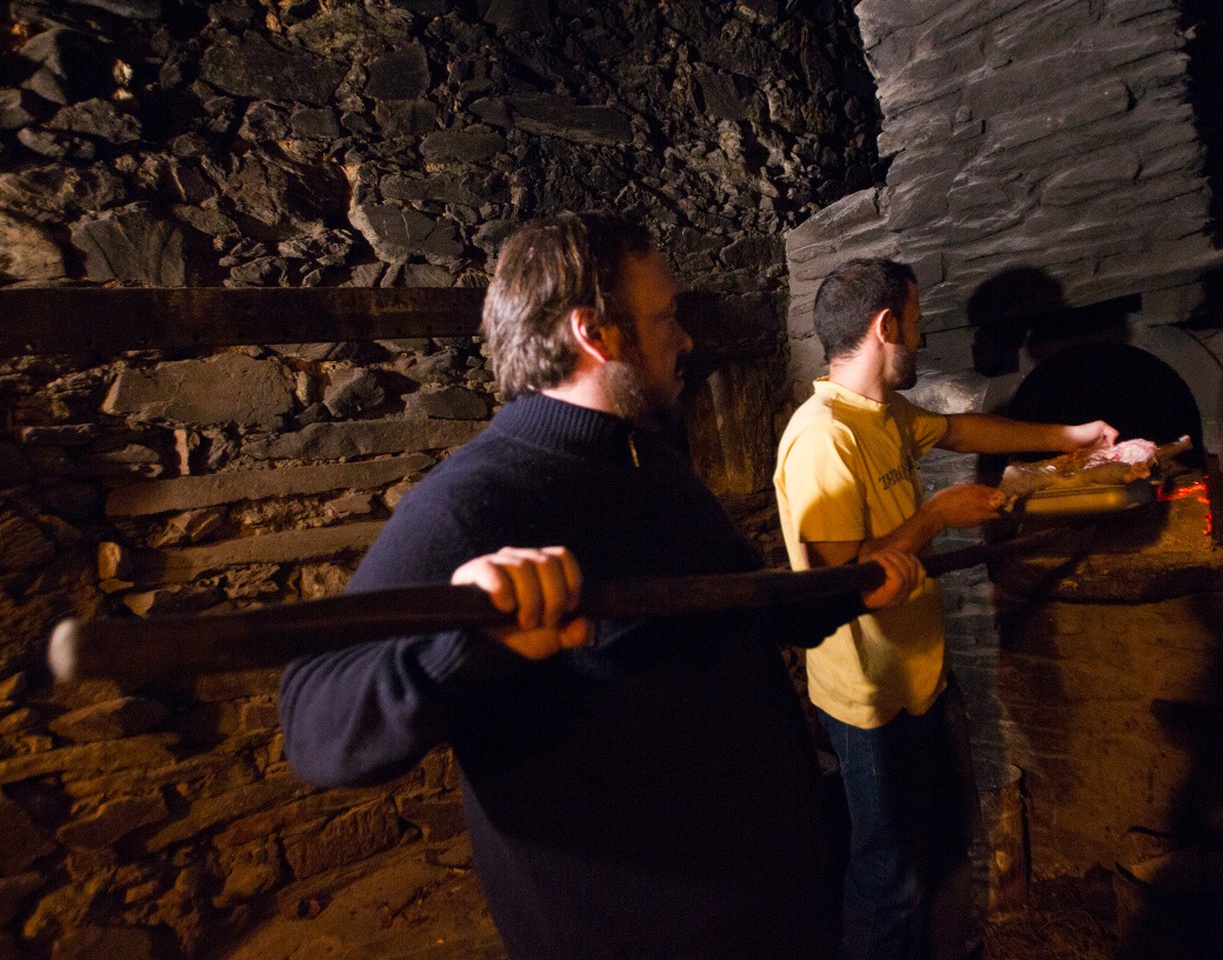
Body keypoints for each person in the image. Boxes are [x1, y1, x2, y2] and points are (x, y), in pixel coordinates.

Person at [278, 214, 926, 960]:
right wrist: (463, 646)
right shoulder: (472, 502)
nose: (686, 340)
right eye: (666, 318)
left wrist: (851, 589)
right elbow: (314, 722)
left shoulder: (650, 463)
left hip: (770, 911)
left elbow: (738, 605)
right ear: (594, 334)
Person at [773, 258, 1119, 960]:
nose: (923, 337)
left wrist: (1068, 437)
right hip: (869, 699)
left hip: (924, 678)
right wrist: (935, 515)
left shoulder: (882, 413)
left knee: (947, 846)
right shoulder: (823, 437)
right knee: (889, 878)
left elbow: (961, 432)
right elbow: (836, 581)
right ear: (885, 326)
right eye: (917, 322)